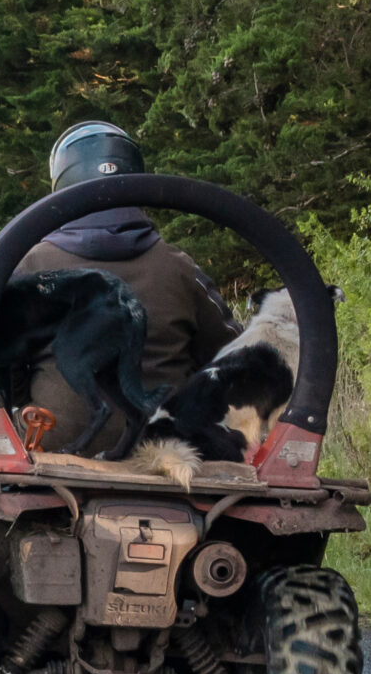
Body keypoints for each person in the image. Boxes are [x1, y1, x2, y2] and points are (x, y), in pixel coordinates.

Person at [18, 121, 238, 453]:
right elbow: (229, 353)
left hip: (52, 444)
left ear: (61, 185)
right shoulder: (179, 267)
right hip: (167, 450)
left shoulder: (29, 266)